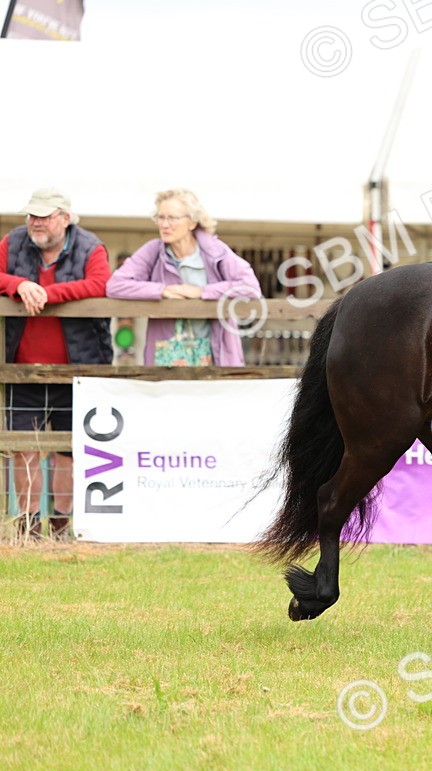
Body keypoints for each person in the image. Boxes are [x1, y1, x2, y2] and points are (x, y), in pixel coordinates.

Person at [0, 188, 112, 541]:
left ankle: (62, 528)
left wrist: (48, 293)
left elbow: (101, 283)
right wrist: (19, 284)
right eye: (32, 215)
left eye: (45, 216)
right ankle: (28, 529)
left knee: (68, 450)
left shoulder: (91, 246)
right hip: (22, 367)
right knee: (23, 448)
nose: (36, 223)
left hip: (78, 369)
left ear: (65, 218)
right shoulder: (12, 242)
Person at [106, 189, 261, 366]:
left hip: (214, 354)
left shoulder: (215, 250)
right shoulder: (153, 250)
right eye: (161, 217)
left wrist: (201, 291)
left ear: (192, 222)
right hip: (166, 356)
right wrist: (161, 290)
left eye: (172, 218)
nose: (165, 224)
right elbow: (115, 285)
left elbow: (250, 287)